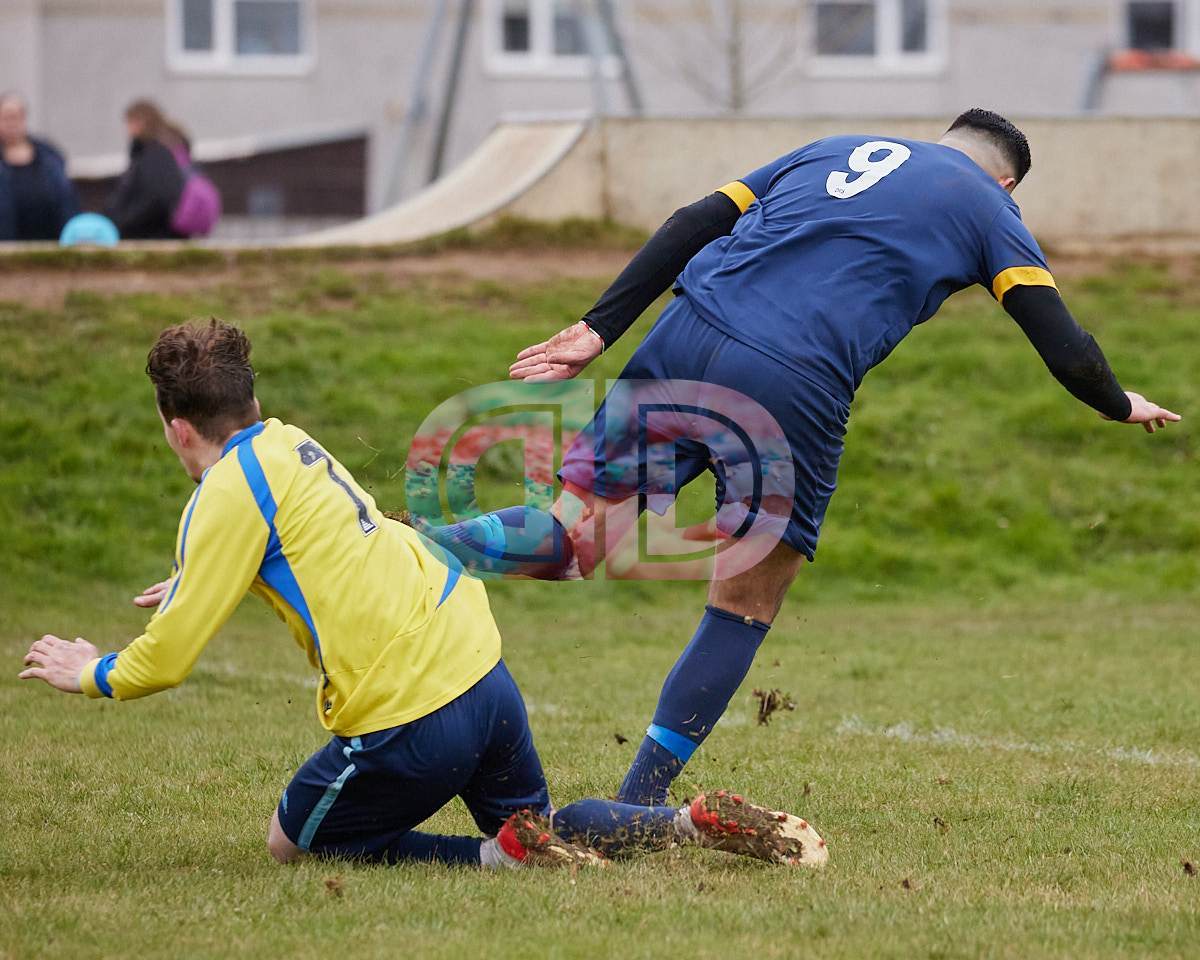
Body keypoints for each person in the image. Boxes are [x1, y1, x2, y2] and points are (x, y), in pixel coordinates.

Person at [408, 108, 1182, 808]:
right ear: (1007, 182)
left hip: (685, 331)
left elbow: (692, 221)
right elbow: (1064, 345)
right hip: (790, 378)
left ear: (939, 141)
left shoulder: (835, 146)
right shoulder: (989, 207)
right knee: (745, 598)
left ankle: (399, 545)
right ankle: (638, 800)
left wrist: (597, 327)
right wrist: (1119, 402)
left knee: (573, 540)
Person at [18, 319, 826, 870]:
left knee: (289, 845)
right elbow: (342, 542)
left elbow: (163, 662)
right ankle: (683, 822)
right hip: (483, 672)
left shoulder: (222, 493)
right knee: (540, 827)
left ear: (175, 427)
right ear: (252, 402)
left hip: (411, 714)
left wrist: (89, 671)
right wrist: (204, 576)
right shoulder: (293, 446)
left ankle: (488, 861)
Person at [0, 92, 78, 241]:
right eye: (6, 118)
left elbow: (67, 201)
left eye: (15, 117)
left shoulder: (49, 157)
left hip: (50, 241)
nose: (11, 124)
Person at [105, 100, 188, 240]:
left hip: (149, 235)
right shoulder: (148, 153)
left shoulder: (155, 155)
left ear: (141, 123)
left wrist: (124, 222)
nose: (127, 128)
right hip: (146, 233)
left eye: (130, 122)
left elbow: (156, 198)